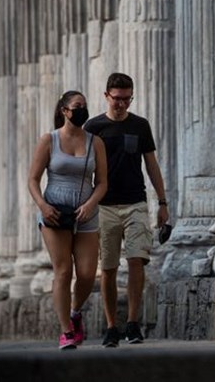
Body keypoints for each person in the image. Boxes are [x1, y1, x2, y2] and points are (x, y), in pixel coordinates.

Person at [84, 72, 169, 347]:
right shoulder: (93, 127)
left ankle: (133, 323)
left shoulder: (140, 125)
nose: (121, 104)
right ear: (106, 96)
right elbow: (84, 168)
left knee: (136, 260)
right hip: (105, 206)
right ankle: (111, 326)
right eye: (117, 98)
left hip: (136, 202)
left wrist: (163, 202)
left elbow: (151, 164)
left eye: (126, 99)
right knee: (107, 267)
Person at [28, 91, 108, 350]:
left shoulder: (95, 142)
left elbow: (103, 183)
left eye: (85, 105)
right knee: (63, 271)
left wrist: (90, 205)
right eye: (77, 106)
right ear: (64, 110)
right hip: (55, 213)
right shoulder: (48, 140)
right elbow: (33, 179)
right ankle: (66, 331)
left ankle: (75, 312)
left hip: (86, 213)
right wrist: (43, 205)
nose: (82, 110)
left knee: (86, 274)